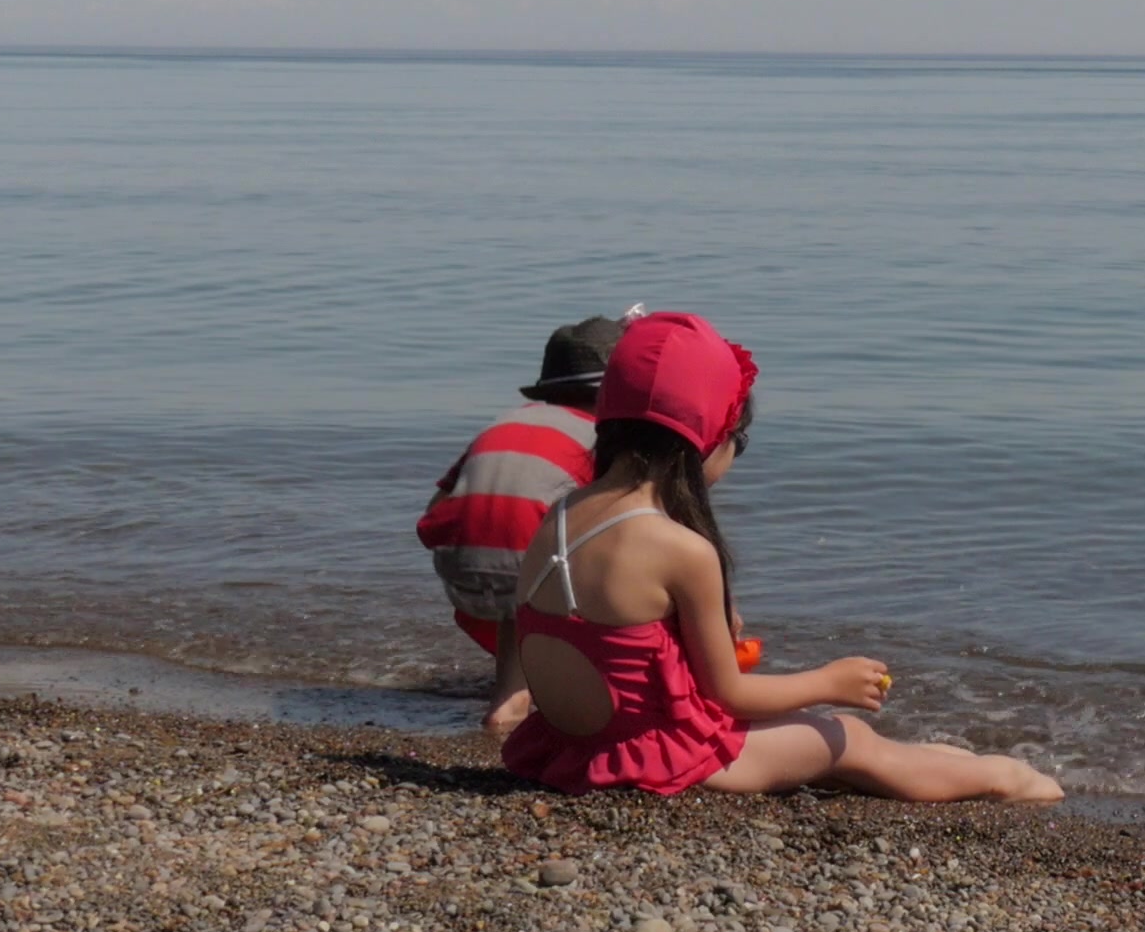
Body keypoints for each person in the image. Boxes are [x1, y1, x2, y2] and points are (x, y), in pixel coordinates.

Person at [489, 312, 1060, 803]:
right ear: (708, 438)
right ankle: (1010, 780)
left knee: (828, 738)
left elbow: (606, 644)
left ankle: (952, 760)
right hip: (658, 759)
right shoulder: (680, 548)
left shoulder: (558, 515)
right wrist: (829, 680)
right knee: (846, 738)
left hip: (573, 747)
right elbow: (730, 696)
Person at [417, 317, 630, 677]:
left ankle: (518, 685)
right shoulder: (604, 438)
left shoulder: (506, 424)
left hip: (463, 581)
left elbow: (434, 514)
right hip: (534, 587)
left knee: (527, 553)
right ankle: (549, 682)